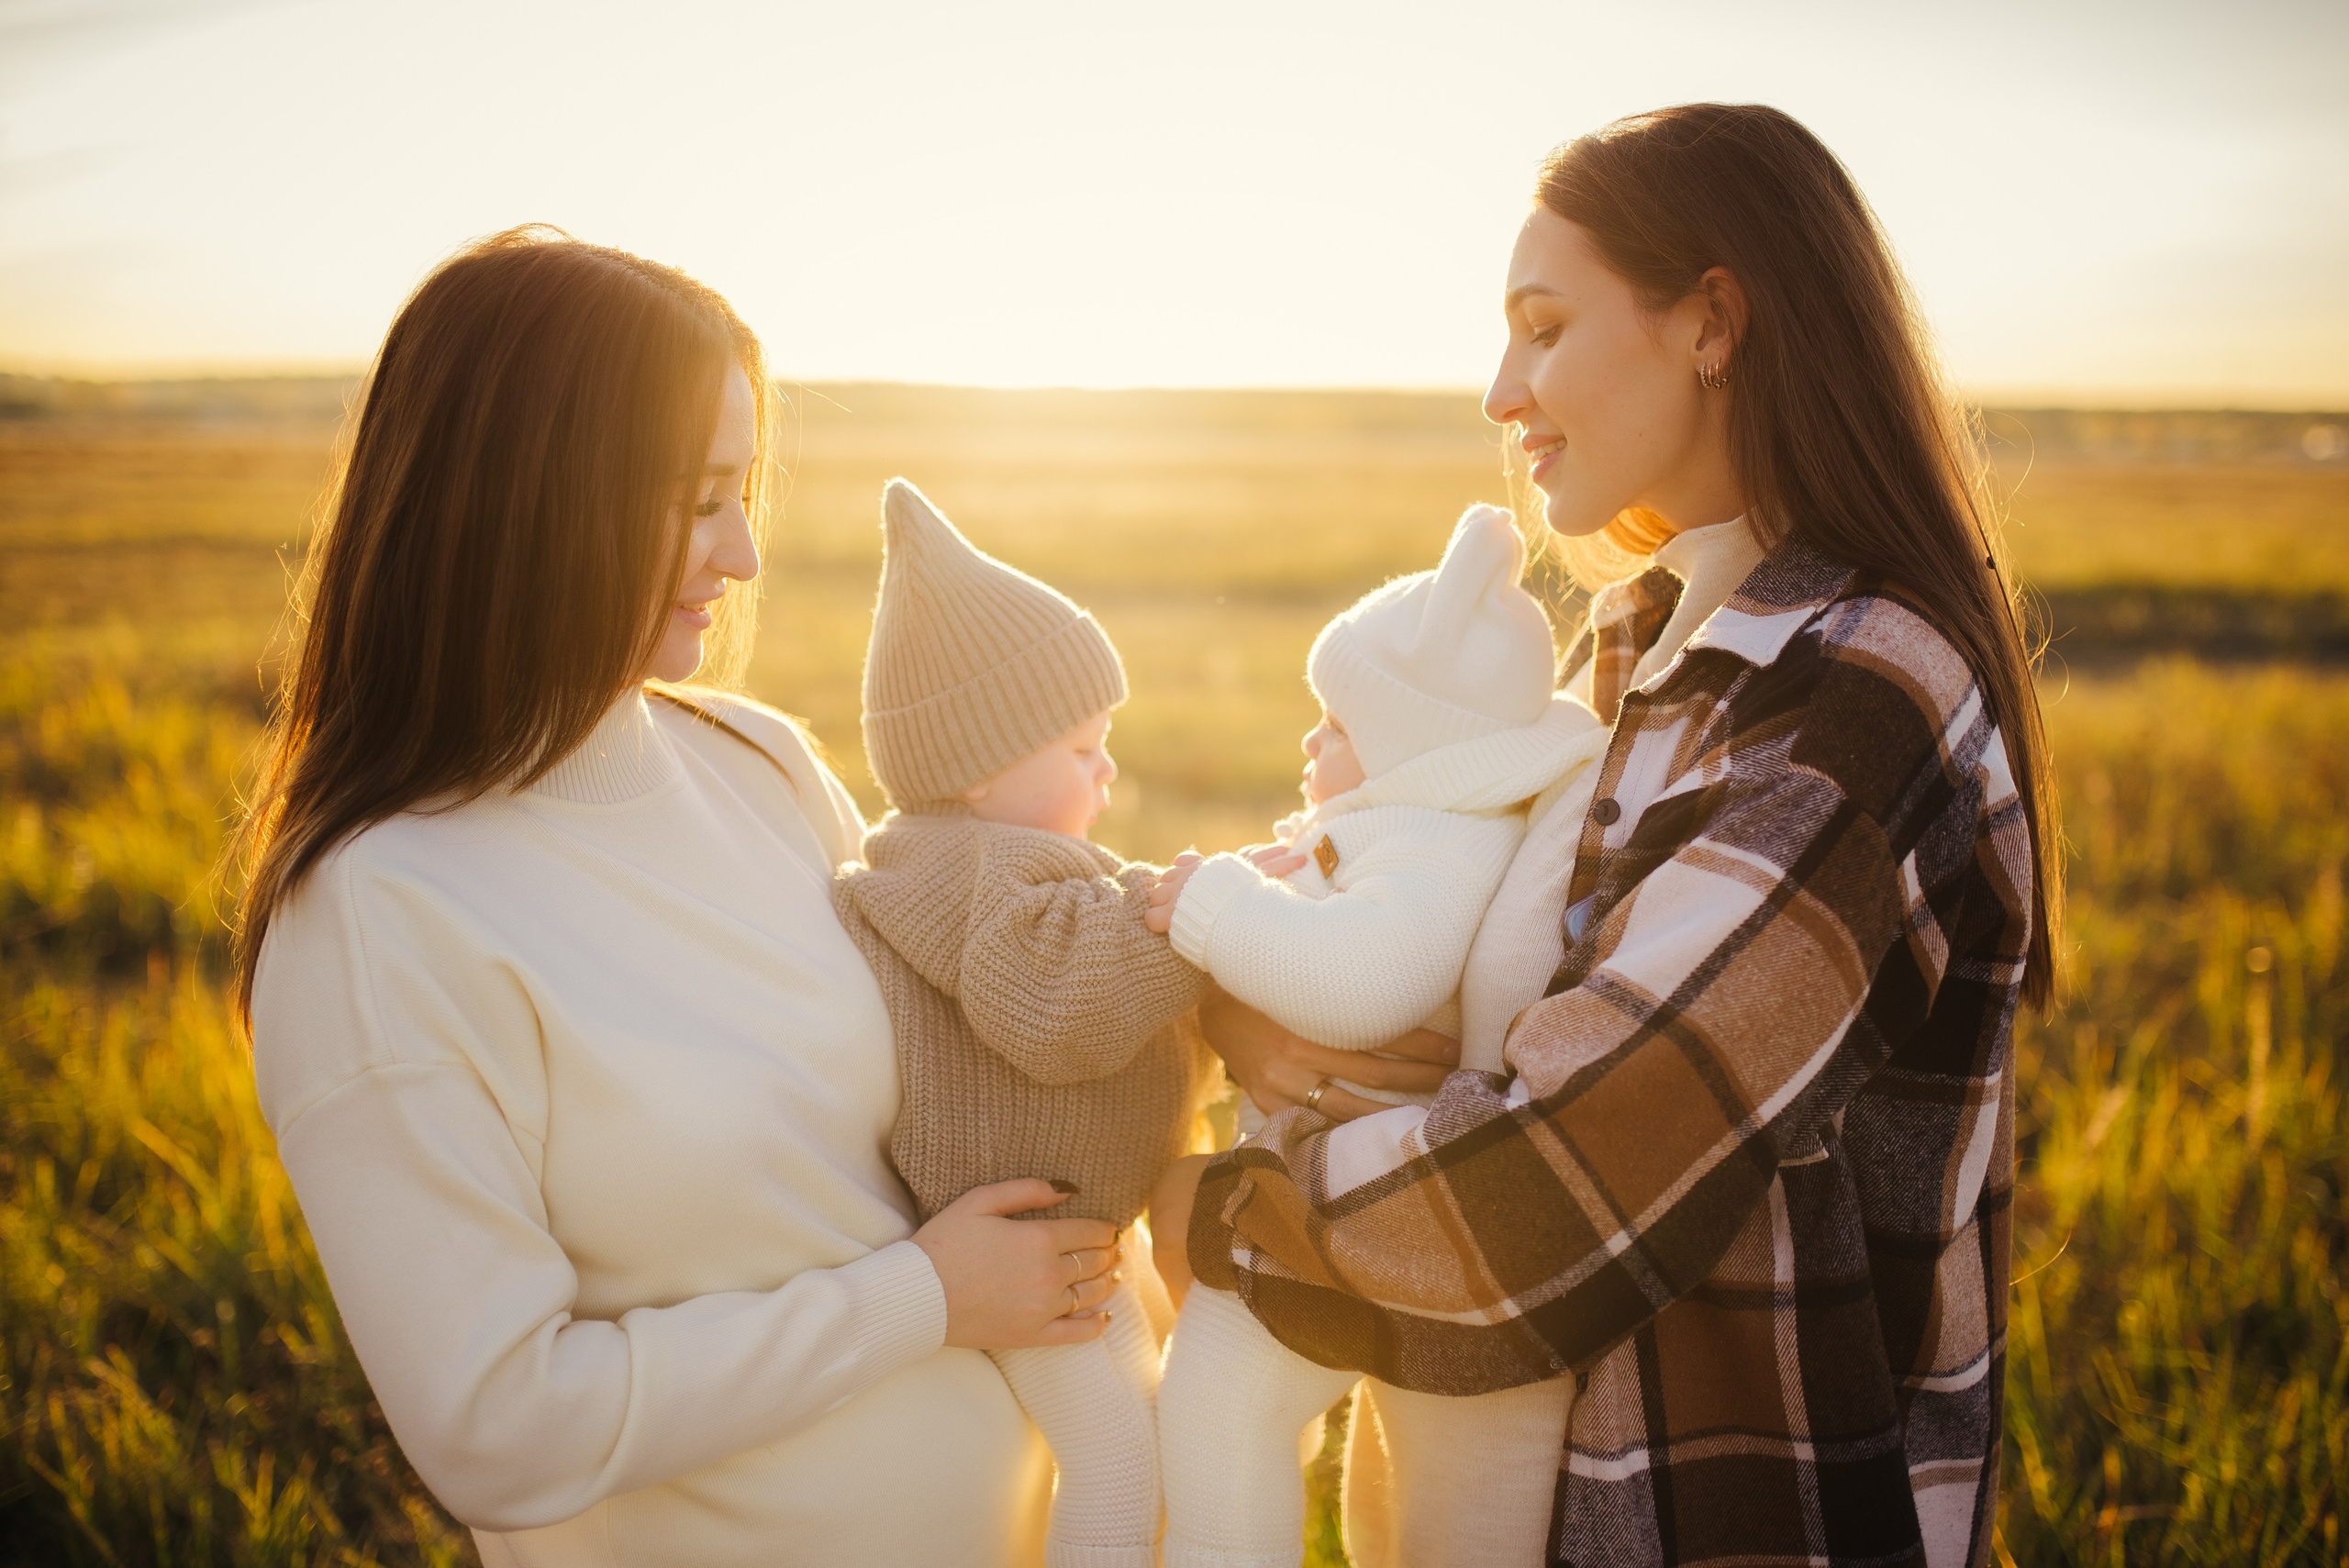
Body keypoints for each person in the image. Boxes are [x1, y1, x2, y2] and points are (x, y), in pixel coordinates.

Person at [1160, 103, 2060, 1568]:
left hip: (1744, 1515)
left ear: (1711, 323)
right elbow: (1484, 988)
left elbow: (1571, 1175)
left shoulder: (1860, 696)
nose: (1500, 391)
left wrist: (1223, 1213)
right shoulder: (1646, 639)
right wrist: (1266, 1016)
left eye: (1544, 327)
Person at [235, 227, 1119, 1566]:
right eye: (697, 499)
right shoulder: (377, 915)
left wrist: (1240, 1005)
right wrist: (922, 1299)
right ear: (531, 499)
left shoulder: (758, 761)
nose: (744, 553)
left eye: (742, 489)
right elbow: (500, 1429)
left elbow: (977, 1037)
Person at [1143, 502, 1609, 1568]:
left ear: (1413, 746)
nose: (1310, 741)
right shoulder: (1412, 821)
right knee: (1217, 1410)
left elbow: (1364, 980)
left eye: (1338, 726)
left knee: (1218, 1410)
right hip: (1331, 1191)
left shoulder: (1437, 842)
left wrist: (1217, 908)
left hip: (1366, 1209)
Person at [830, 477, 1220, 1568]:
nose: (1108, 770)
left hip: (1067, 1238)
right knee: (1114, 1460)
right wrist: (1180, 919)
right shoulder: (981, 872)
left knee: (1141, 1429)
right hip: (1025, 1244)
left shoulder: (966, 864)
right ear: (979, 768)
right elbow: (1054, 1004)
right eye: (1082, 748)